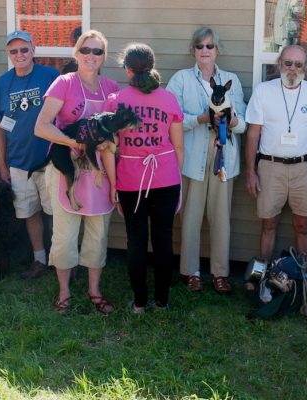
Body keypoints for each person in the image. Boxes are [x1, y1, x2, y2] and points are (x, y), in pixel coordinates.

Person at [35, 30, 118, 314]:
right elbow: (42, 126)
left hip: (99, 172)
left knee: (98, 233)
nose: (91, 56)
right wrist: (74, 142)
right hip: (66, 169)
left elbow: (115, 131)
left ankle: (95, 291)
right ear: (76, 54)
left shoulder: (111, 88)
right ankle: (64, 292)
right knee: (65, 235)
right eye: (86, 50)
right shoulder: (64, 83)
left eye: (97, 51)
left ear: (104, 57)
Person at [166, 27, 246, 295]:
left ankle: (220, 273)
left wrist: (230, 121)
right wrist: (201, 118)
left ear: (217, 50)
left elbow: (244, 124)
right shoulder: (180, 80)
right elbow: (171, 119)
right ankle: (191, 271)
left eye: (210, 46)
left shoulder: (231, 80)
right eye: (199, 46)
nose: (204, 51)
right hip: (192, 158)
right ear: (193, 50)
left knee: (221, 218)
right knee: (190, 217)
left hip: (224, 157)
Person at [108, 43, 184, 313]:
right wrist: (178, 180)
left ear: (127, 69)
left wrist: (113, 185)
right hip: (166, 178)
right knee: (163, 240)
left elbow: (110, 148)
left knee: (136, 241)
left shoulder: (116, 100)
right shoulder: (169, 99)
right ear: (152, 66)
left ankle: (139, 304)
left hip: (130, 180)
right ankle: (162, 302)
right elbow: (178, 147)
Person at [245, 44, 307, 263]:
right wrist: (250, 172)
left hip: (306, 168)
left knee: (303, 226)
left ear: (306, 67)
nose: (293, 68)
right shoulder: (263, 90)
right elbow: (253, 134)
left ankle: (306, 280)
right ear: (279, 64)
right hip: (270, 167)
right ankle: (263, 277)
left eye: (299, 64)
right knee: (268, 224)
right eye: (288, 63)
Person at [0, 31, 60, 279]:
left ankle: (61, 260)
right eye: (14, 51)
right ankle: (39, 259)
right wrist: (3, 166)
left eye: (24, 50)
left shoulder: (50, 76)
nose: (20, 55)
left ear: (33, 50)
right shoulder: (3, 83)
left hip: (50, 159)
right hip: (18, 161)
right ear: (9, 54)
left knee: (56, 212)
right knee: (30, 212)